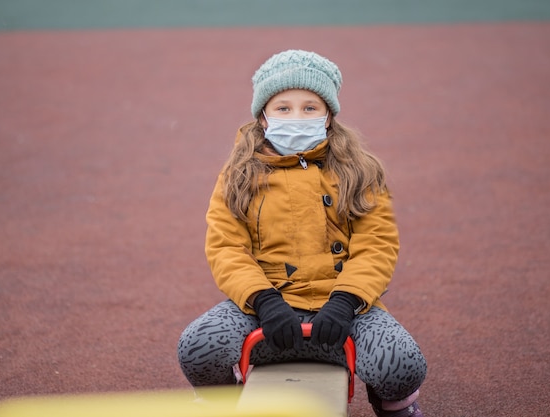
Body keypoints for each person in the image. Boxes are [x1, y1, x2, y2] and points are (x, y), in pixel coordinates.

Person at [177, 49, 427, 417]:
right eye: (283, 107)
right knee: (197, 346)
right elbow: (226, 247)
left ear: (328, 117)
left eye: (310, 108)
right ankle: (222, 405)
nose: (296, 116)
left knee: (403, 363)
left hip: (344, 310)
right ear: (263, 117)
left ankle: (395, 409)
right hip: (266, 310)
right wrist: (263, 300)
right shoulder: (238, 175)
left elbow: (377, 245)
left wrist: (346, 301)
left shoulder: (360, 171)